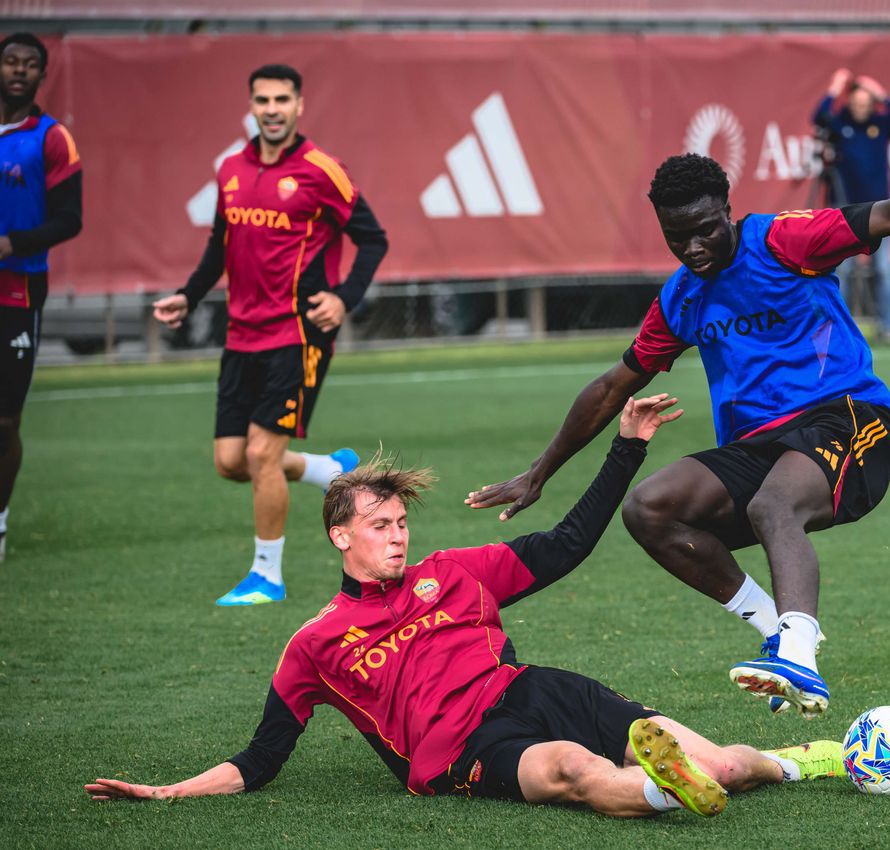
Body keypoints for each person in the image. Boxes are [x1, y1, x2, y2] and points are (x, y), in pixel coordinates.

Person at [467, 152, 890, 717]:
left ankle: (798, 652)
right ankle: (777, 630)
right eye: (676, 237)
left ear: (727, 208)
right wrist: (539, 473)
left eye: (703, 230)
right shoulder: (680, 296)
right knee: (650, 509)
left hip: (847, 418)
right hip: (758, 446)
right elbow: (610, 386)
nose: (693, 248)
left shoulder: (783, 241)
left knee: (774, 504)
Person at [84, 395, 848, 819]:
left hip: (530, 687)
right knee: (575, 771)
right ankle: (662, 788)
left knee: (714, 759)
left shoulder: (454, 574)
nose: (397, 536)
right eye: (379, 526)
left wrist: (626, 444)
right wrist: (166, 790)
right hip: (462, 749)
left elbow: (570, 542)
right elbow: (260, 761)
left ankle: (799, 763)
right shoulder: (314, 645)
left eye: (401, 523)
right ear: (340, 536)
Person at [153, 64, 388, 606]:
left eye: (283, 99)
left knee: (262, 454)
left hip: (298, 334)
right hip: (241, 335)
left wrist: (343, 298)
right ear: (252, 105)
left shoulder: (321, 170)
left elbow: (372, 239)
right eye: (263, 100)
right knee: (231, 462)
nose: (273, 108)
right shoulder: (232, 168)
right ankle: (326, 470)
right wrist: (189, 294)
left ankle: (267, 576)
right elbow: (219, 244)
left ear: (299, 105)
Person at [0, 33, 83, 563]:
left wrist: (11, 244)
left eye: (30, 64)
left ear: (41, 75)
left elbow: (70, 219)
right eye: (10, 61)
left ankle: (0, 519)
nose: (19, 71)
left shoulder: (52, 139)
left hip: (18, 290)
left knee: (5, 420)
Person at [813, 69, 890, 343]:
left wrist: (881, 93)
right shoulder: (840, 124)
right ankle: (839, 330)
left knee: (881, 269)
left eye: (865, 103)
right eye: (856, 102)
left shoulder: (880, 124)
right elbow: (818, 118)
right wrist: (834, 89)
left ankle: (887, 327)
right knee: (843, 270)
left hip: (879, 208)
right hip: (845, 210)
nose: (860, 108)